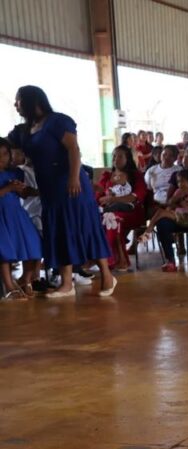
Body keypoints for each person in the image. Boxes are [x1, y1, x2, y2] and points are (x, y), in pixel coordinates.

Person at [8, 85, 115, 298]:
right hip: (49, 188)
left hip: (71, 184)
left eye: (18, 100)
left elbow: (73, 149)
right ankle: (67, 283)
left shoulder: (57, 121)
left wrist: (74, 178)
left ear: (32, 101)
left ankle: (107, 275)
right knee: (59, 231)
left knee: (85, 227)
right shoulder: (25, 130)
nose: (15, 104)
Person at [0, 137, 42, 300]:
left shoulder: (14, 172)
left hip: (16, 214)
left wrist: (32, 191)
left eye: (4, 153)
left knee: (33, 244)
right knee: (5, 251)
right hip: (1, 217)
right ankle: (9, 286)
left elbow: (22, 193)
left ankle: (26, 278)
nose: (2, 158)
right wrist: (9, 187)